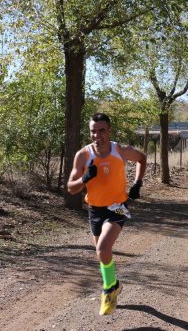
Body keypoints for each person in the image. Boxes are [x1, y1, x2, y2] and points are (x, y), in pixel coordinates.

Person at [67, 113, 147, 316]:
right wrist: (85, 178)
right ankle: (115, 284)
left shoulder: (119, 150)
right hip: (94, 209)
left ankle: (109, 291)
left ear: (109, 130)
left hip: (117, 207)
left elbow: (142, 159)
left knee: (103, 249)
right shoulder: (83, 155)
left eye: (101, 130)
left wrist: (137, 183)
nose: (97, 135)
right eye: (93, 131)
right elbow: (71, 188)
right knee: (101, 255)